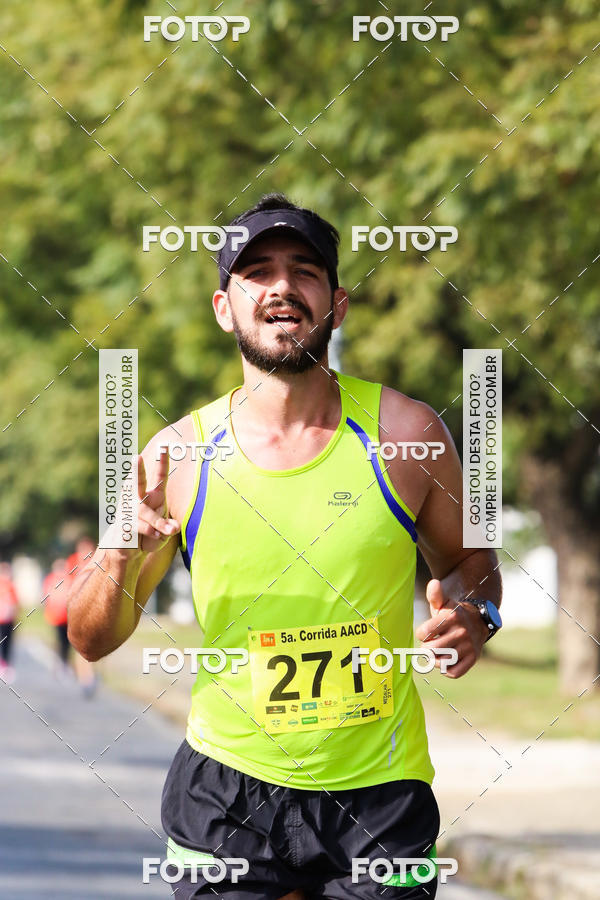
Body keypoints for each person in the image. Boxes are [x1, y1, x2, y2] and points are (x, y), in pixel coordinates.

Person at [68, 193, 502, 899]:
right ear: (223, 307)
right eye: (257, 272)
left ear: (337, 304)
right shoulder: (175, 456)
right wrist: (118, 554)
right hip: (226, 794)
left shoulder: (408, 435)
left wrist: (477, 615)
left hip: (380, 796)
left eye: (304, 271)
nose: (281, 287)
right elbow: (91, 640)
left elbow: (470, 565)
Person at [46, 541, 98, 697]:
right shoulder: (72, 563)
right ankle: (85, 677)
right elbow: (66, 583)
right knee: (75, 644)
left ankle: (87, 676)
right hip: (74, 609)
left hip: (93, 608)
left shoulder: (97, 559)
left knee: (89, 645)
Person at [0, 562, 19, 683]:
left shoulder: (11, 586)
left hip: (9, 619)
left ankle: (6, 664)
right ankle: (2, 663)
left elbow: (15, 602)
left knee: (8, 642)